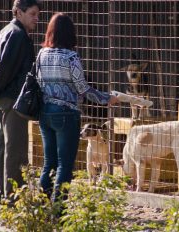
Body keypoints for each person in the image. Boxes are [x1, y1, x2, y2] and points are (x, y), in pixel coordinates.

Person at [37, 13, 119, 203]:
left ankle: (41, 207)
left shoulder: (41, 54)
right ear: (70, 34)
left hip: (45, 112)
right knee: (65, 165)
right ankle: (59, 210)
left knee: (48, 163)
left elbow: (38, 82)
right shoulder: (71, 57)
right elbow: (83, 88)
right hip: (67, 114)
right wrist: (106, 98)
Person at [0, 0, 41, 204]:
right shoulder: (17, 35)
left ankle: (2, 195)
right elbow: (4, 69)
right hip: (12, 100)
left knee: (2, 148)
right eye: (32, 14)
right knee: (16, 151)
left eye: (37, 14)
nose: (36, 18)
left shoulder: (3, 32)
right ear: (19, 12)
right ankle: (13, 199)